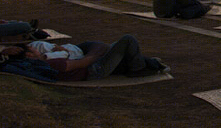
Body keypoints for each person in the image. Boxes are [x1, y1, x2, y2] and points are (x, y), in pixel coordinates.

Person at [21, 34, 166, 81]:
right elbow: (84, 63)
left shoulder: (47, 60)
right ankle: (139, 68)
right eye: (31, 49)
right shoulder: (51, 62)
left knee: (118, 48)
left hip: (93, 66)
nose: (34, 48)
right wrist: (98, 53)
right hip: (95, 70)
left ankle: (147, 63)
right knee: (127, 40)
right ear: (29, 55)